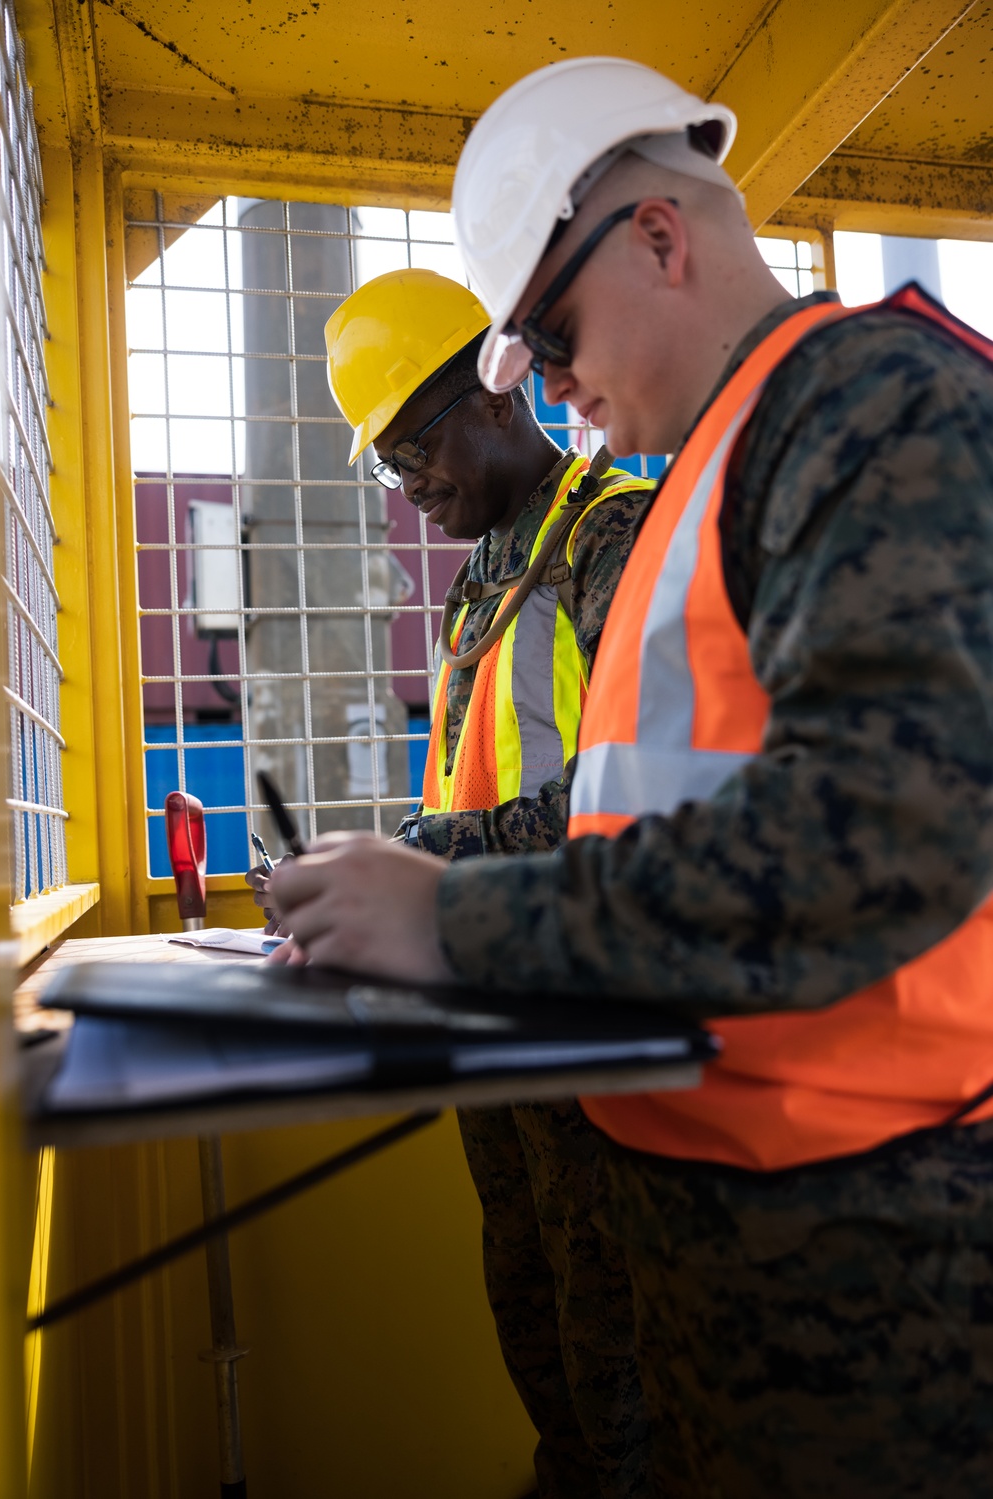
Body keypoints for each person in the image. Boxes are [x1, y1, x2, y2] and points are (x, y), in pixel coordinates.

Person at [268, 57, 993, 1499]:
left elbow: (885, 837)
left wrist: (453, 915)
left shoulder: (875, 406)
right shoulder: (716, 469)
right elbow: (654, 811)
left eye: (548, 330)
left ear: (659, 237)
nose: (543, 381)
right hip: (731, 1231)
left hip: (873, 1255)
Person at [253, 266, 656, 1499]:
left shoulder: (614, 541)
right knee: (534, 1326)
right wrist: (362, 867)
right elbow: (477, 794)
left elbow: (633, 794)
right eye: (388, 464)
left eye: (416, 446)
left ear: (500, 395)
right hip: (498, 1020)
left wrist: (419, 866)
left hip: (605, 1033)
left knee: (624, 1367)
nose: (410, 486)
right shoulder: (485, 579)